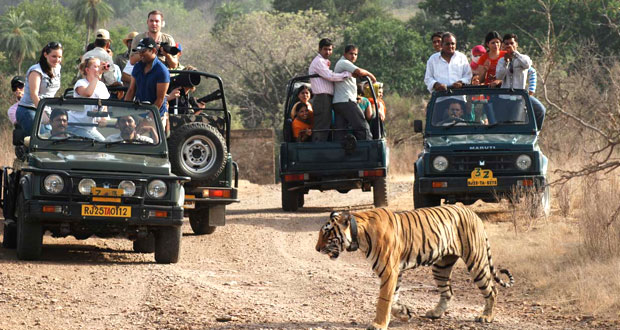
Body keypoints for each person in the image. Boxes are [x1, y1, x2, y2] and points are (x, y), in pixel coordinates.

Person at [495, 33, 545, 129]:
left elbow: (527, 65)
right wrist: (506, 62)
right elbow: (499, 76)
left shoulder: (523, 58)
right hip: (503, 98)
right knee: (502, 126)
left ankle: (534, 132)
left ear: (516, 44)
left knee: (516, 124)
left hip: (518, 98)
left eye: (511, 43)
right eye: (506, 44)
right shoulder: (501, 61)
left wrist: (515, 53)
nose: (509, 46)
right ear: (503, 46)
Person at [124, 37, 171, 136]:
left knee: (152, 143)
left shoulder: (162, 71)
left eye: (143, 51)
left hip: (156, 115)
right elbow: (131, 90)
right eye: (139, 51)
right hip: (139, 111)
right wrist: (124, 113)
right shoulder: (138, 66)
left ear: (153, 50)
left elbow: (160, 99)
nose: (140, 54)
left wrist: (147, 120)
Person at [308, 38, 352, 142]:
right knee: (322, 126)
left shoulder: (324, 62)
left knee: (327, 124)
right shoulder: (318, 61)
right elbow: (330, 76)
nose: (328, 52)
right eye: (325, 49)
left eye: (330, 49)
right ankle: (318, 151)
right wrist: (346, 75)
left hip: (327, 98)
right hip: (322, 97)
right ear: (319, 49)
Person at [16, 42, 63, 135]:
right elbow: (34, 95)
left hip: (47, 110)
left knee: (57, 138)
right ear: (45, 54)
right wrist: (42, 113)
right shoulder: (36, 71)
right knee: (45, 139)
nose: (57, 60)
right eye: (54, 56)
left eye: (59, 57)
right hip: (30, 109)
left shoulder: (57, 68)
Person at [332, 44, 375, 141]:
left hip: (339, 102)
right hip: (346, 101)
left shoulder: (346, 65)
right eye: (351, 53)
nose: (353, 56)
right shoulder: (343, 62)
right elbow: (359, 71)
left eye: (355, 54)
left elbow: (356, 73)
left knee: (340, 131)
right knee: (363, 127)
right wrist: (371, 76)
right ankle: (369, 149)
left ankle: (339, 154)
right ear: (345, 54)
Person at [70, 57, 110, 141]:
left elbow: (104, 106)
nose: (98, 68)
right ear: (87, 70)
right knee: (98, 144)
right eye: (95, 66)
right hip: (76, 125)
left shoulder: (102, 86)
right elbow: (88, 93)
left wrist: (103, 118)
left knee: (105, 144)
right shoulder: (80, 83)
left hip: (90, 128)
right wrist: (97, 76)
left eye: (99, 66)